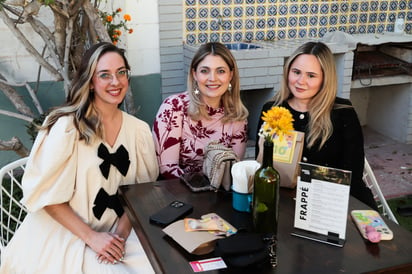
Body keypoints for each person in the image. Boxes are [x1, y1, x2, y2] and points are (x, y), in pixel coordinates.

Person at [0, 42, 159, 273]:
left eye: (121, 73)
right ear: (90, 82)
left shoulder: (139, 131)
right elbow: (48, 198)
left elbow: (141, 192)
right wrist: (93, 238)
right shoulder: (66, 128)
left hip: (118, 228)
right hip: (65, 232)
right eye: (104, 75)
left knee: (159, 265)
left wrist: (120, 236)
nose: (116, 82)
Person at [256, 41, 378, 210]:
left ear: (324, 79)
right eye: (296, 72)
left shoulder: (343, 113)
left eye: (311, 75)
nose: (301, 81)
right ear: (287, 72)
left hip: (335, 202)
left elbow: (352, 174)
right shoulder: (272, 110)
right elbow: (262, 165)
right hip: (283, 202)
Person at [153, 42, 248, 179]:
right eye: (204, 71)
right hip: (176, 193)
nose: (212, 78)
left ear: (230, 75)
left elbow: (233, 170)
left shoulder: (237, 116)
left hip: (219, 195)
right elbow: (167, 169)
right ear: (194, 74)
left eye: (220, 71)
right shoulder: (174, 107)